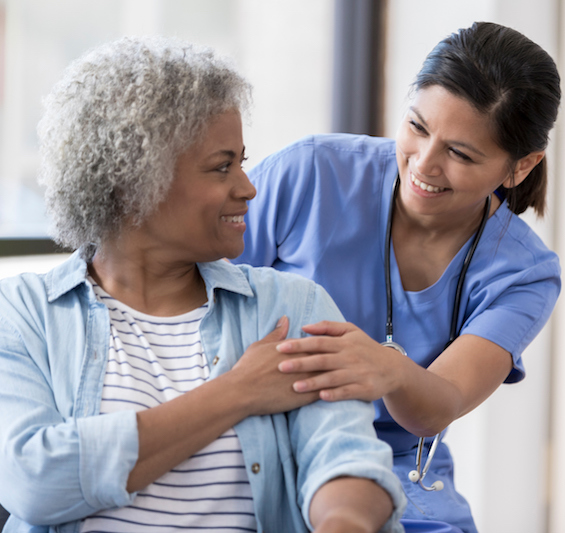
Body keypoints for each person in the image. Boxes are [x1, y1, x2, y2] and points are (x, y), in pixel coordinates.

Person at [0, 36, 405, 533]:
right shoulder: (22, 314)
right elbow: (33, 482)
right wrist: (238, 392)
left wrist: (345, 523)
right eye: (222, 166)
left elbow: (344, 455)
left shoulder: (289, 306)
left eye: (242, 161)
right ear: (134, 185)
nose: (248, 187)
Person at [234, 21, 562, 533]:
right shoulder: (314, 172)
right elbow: (193, 290)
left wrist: (389, 369)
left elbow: (438, 407)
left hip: (397, 469)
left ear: (521, 166)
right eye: (417, 127)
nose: (424, 165)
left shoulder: (524, 273)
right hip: (256, 434)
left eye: (460, 154)